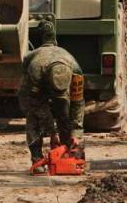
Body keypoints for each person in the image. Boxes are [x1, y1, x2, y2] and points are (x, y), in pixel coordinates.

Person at [17, 21, 84, 171]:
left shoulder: (75, 69)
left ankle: (72, 156)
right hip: (34, 92)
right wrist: (53, 133)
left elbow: (78, 104)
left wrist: (76, 133)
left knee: (65, 115)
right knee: (33, 119)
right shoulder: (35, 69)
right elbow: (35, 105)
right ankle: (37, 159)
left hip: (54, 84)